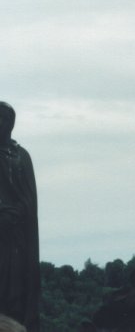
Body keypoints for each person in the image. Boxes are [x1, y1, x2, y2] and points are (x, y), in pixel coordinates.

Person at [0, 103, 39, 332]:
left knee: (15, 286)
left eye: (2, 119)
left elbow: (29, 197)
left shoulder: (21, 156)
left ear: (10, 123)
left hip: (17, 235)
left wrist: (17, 212)